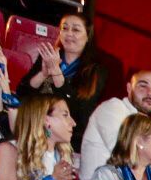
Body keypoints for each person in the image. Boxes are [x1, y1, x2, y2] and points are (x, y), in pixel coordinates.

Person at [18, 10, 109, 144]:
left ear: (88, 36)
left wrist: (57, 73)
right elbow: (22, 93)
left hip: (69, 136)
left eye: (76, 30)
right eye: (64, 28)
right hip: (37, 123)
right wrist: (43, 74)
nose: (69, 34)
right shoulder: (49, 56)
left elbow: (81, 112)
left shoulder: (96, 70)